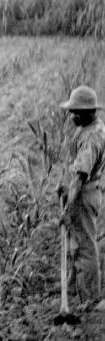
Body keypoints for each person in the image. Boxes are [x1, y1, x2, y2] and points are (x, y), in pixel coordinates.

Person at [59, 85, 105, 303]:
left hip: (84, 195)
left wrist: (68, 208)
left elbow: (79, 177)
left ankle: (90, 301)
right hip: (85, 192)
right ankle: (78, 291)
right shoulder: (90, 128)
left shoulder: (91, 138)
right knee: (79, 244)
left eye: (76, 112)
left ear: (89, 112)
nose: (71, 116)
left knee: (85, 248)